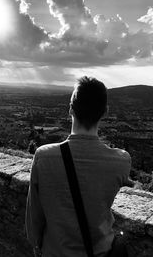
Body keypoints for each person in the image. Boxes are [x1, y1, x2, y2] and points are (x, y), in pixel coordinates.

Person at [25, 76, 134, 257]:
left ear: (70, 110)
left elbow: (34, 214)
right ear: (105, 112)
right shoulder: (122, 161)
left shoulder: (43, 157)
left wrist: (36, 245)